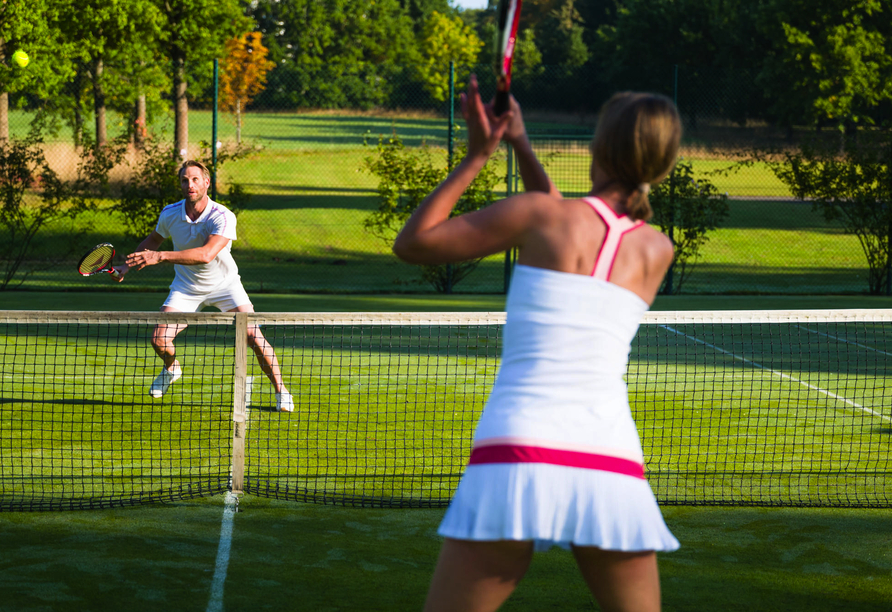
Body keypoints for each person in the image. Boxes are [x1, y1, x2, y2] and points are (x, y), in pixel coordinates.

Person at [392, 75, 682, 612]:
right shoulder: (657, 249)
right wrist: (520, 142)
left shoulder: (540, 215)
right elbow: (566, 218)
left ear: (599, 148)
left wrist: (479, 155)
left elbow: (414, 243)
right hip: (611, 460)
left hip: (516, 451)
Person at [114, 160, 293, 412]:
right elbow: (153, 240)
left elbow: (206, 254)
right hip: (186, 288)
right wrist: (127, 266)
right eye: (185, 180)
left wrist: (161, 256)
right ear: (180, 185)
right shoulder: (170, 213)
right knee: (159, 340)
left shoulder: (222, 216)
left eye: (195, 179)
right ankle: (171, 368)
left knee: (253, 336)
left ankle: (281, 390)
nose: (190, 184)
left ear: (206, 182)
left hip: (226, 286)